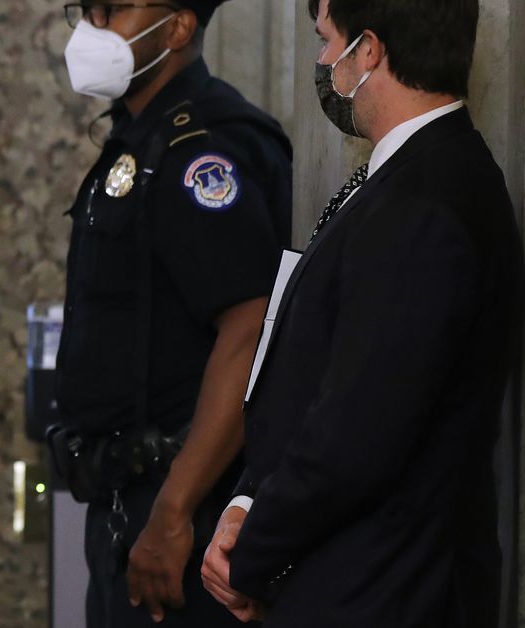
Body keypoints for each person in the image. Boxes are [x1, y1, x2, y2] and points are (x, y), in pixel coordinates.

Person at [200, 0, 524, 626]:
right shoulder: (405, 178)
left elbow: (357, 435)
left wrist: (253, 551)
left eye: (328, 41)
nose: (325, 61)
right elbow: (308, 379)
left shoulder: (426, 202)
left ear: (369, 49)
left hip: (384, 594)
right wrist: (245, 502)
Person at [50, 1, 292, 626]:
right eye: (86, 11)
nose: (92, 30)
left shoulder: (201, 149)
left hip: (183, 506)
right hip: (126, 501)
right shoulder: (141, 137)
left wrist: (174, 509)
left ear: (178, 28)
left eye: (113, 11)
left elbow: (250, 329)